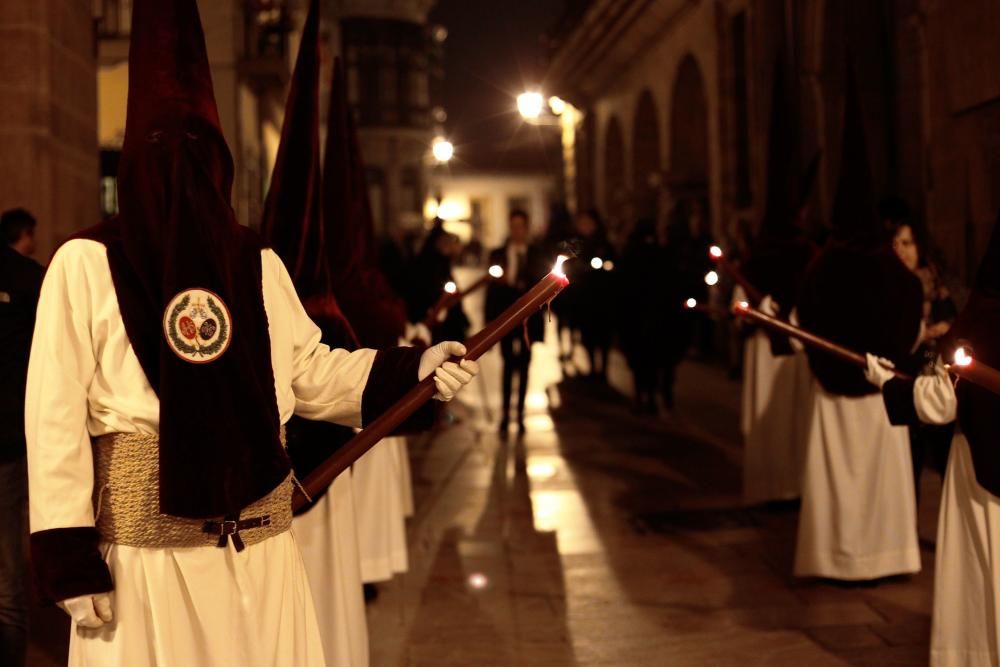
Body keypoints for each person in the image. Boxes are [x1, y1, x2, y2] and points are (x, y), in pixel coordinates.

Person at [24, 2, 479, 665]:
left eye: (198, 155)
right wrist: (67, 555)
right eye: (160, 154)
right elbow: (54, 416)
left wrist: (413, 371)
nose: (182, 176)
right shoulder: (85, 264)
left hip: (259, 555)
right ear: (133, 166)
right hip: (143, 568)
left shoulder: (256, 265)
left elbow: (311, 372)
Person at [793, 67, 924, 582]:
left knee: (839, 482)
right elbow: (909, 320)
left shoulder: (820, 267)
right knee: (877, 483)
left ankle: (835, 558)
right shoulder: (892, 271)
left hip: (836, 395)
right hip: (877, 395)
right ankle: (887, 555)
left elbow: (806, 317)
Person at [865, 212, 1000, 666]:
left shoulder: (981, 319)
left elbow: (940, 401)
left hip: (984, 477)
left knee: (984, 581)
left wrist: (889, 386)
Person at [883, 202, 958, 501]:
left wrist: (946, 328)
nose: (901, 249)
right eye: (896, 243)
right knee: (908, 463)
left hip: (937, 379)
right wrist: (923, 333)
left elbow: (954, 320)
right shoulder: (890, 288)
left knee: (944, 458)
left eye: (907, 243)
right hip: (907, 380)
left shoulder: (937, 284)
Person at [0, 208, 43, 667]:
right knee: (9, 578)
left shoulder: (28, 278)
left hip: (9, 444)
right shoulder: (32, 279)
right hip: (12, 441)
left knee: (9, 579)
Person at [486, 209, 546, 434]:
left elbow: (541, 283)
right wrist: (490, 320)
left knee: (524, 365)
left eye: (521, 226)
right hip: (506, 316)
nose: (517, 231)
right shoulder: (498, 254)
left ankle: (520, 414)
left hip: (528, 318)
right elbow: (491, 289)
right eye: (514, 226)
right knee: (508, 364)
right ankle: (505, 414)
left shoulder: (535, 254)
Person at [573, 209, 616, 380]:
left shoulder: (603, 244)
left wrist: (604, 265)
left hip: (601, 296)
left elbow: (613, 264)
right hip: (585, 296)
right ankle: (592, 367)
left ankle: (603, 370)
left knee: (603, 335)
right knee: (588, 334)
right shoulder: (578, 244)